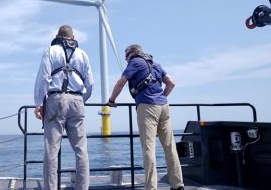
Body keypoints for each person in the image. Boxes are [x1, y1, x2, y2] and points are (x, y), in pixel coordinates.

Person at [107, 44, 184, 190]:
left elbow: (121, 82)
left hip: (147, 107)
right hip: (164, 107)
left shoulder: (135, 62)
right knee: (170, 147)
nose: (125, 58)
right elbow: (171, 83)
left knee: (149, 149)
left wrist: (111, 100)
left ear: (135, 52)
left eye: (127, 54)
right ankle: (178, 184)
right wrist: (161, 97)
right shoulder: (156, 64)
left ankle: (151, 187)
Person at [34, 25, 94, 190]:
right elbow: (90, 83)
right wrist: (82, 100)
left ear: (57, 36)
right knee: (81, 150)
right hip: (77, 101)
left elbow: (44, 78)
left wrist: (38, 103)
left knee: (51, 151)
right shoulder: (83, 54)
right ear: (73, 37)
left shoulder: (51, 50)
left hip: (56, 100)